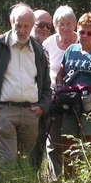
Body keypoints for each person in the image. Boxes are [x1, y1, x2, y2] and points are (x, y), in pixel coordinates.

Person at [0, 5, 51, 166]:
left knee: (25, 163)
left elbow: (46, 85)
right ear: (11, 22)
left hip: (31, 112)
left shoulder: (38, 51)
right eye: (18, 25)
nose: (22, 31)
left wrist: (42, 107)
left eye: (26, 26)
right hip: (5, 111)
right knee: (7, 160)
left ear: (32, 25)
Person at [55, 13, 91, 177]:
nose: (85, 36)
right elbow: (61, 73)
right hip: (71, 103)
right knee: (68, 146)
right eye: (81, 32)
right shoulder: (71, 50)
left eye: (89, 33)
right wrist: (59, 88)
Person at [42, 6, 78, 179]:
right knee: (54, 141)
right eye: (61, 24)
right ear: (55, 25)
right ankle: (54, 180)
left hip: (78, 99)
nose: (65, 28)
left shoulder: (83, 40)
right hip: (54, 98)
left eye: (68, 24)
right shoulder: (48, 44)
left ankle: (73, 180)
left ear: (75, 24)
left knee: (74, 141)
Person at [29, 9, 54, 172]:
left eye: (49, 26)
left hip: (40, 109)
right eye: (41, 24)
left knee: (37, 155)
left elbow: (46, 83)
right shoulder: (19, 46)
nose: (45, 29)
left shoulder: (44, 50)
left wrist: (44, 106)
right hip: (23, 109)